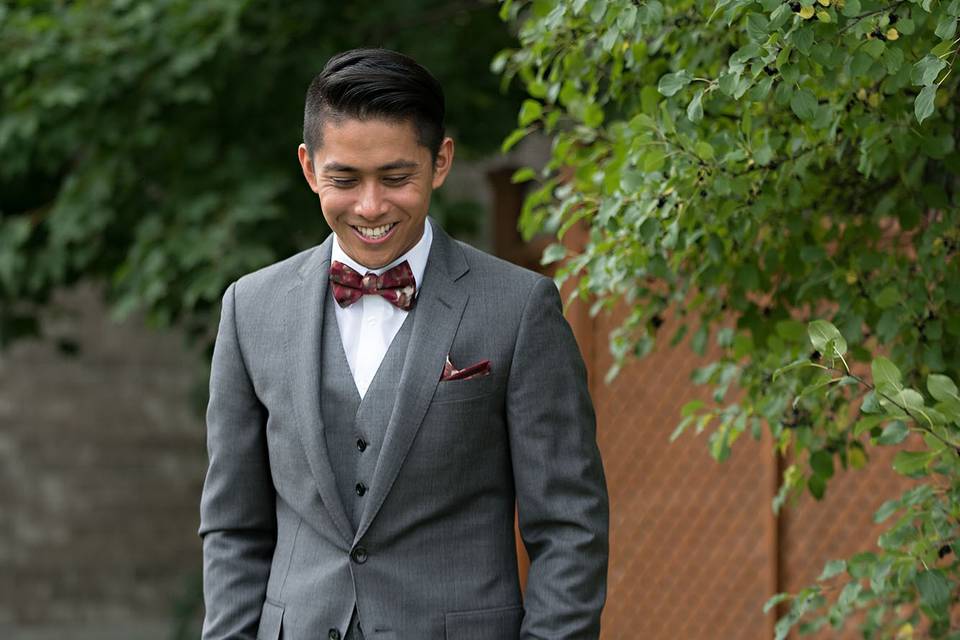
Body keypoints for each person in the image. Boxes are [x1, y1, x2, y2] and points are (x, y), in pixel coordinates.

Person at [198, 48, 608, 640]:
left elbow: (570, 526)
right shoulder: (250, 308)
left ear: (440, 162)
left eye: (396, 178)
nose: (370, 206)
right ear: (310, 168)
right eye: (344, 179)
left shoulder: (520, 309)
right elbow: (233, 527)